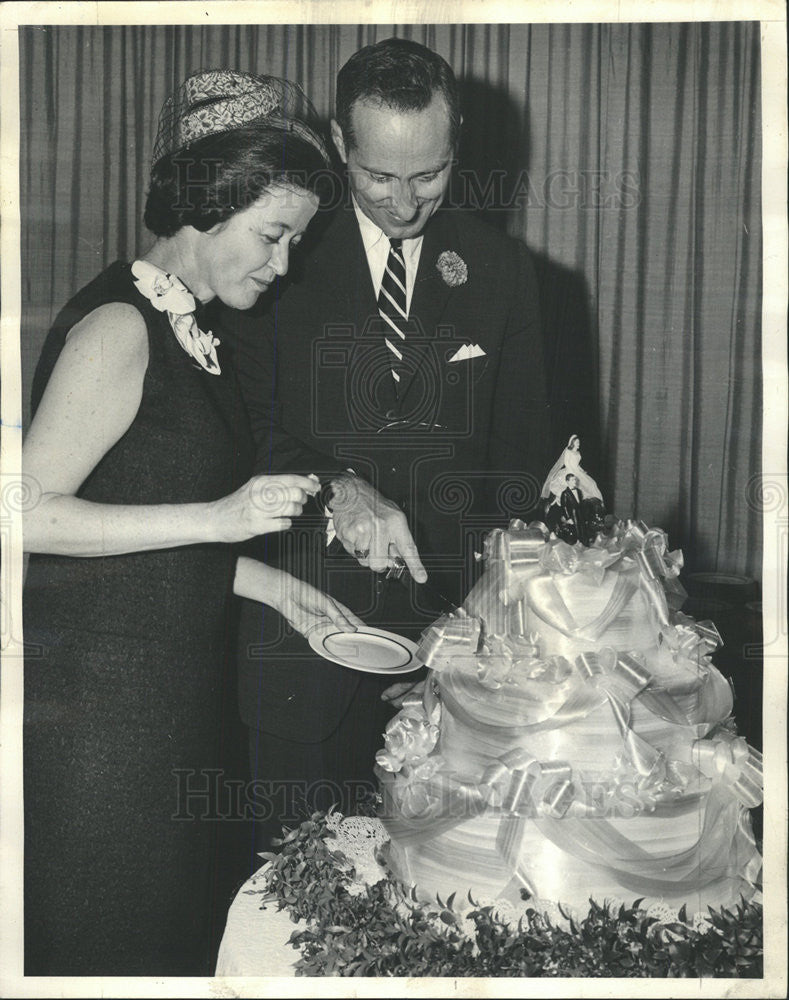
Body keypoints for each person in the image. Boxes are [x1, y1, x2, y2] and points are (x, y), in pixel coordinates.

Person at [22, 69, 362, 977]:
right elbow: (24, 514)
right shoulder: (120, 329)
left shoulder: (193, 332)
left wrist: (278, 588)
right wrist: (221, 520)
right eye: (271, 235)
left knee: (168, 946)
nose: (282, 263)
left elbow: (135, 517)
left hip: (162, 702)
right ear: (206, 207)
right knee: (111, 948)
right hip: (95, 724)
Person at [212, 38, 553, 849]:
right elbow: (237, 428)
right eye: (377, 176)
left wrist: (484, 630)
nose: (403, 204)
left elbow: (523, 462)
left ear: (457, 143)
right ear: (339, 144)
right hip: (298, 650)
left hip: (451, 662)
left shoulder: (502, 272)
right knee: (298, 893)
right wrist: (339, 484)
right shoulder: (271, 253)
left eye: (427, 176)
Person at [541, 433, 603, 503]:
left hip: (577, 471)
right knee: (571, 487)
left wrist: (582, 471)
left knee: (591, 484)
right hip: (570, 471)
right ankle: (559, 501)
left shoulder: (578, 453)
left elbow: (577, 465)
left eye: (579, 442)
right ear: (573, 443)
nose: (579, 444)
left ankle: (596, 503)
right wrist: (574, 472)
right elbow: (567, 463)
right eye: (577, 442)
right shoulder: (568, 451)